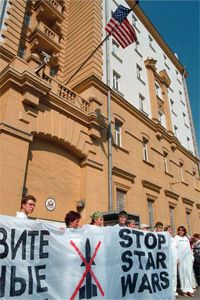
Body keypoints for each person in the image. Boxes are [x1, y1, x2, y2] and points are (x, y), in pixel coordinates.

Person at [174, 226, 195, 297]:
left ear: (184, 231)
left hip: (188, 259)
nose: (181, 231)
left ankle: (190, 289)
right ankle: (184, 290)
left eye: (182, 230)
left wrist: (192, 257)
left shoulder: (186, 238)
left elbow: (190, 248)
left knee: (189, 273)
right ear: (178, 231)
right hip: (181, 259)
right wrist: (176, 258)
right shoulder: (176, 238)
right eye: (179, 230)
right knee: (182, 274)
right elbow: (175, 249)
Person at [164, 225, 178, 298]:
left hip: (174, 260)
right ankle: (168, 290)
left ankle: (174, 290)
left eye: (171, 230)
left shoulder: (174, 239)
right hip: (167, 260)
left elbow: (176, 249)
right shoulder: (164, 239)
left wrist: (178, 259)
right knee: (168, 275)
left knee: (174, 275)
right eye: (168, 230)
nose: (170, 231)